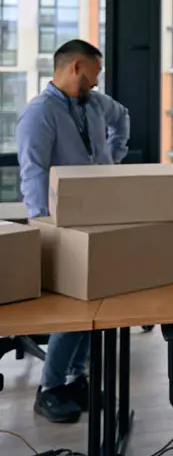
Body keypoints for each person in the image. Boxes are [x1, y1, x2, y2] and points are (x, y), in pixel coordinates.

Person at [16, 39, 130, 423]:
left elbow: (122, 117)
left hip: (100, 217)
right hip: (62, 224)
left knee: (92, 309)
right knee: (73, 311)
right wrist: (44, 226)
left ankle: (75, 378)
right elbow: (32, 173)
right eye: (93, 76)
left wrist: (113, 157)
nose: (96, 84)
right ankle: (49, 388)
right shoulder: (39, 113)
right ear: (75, 67)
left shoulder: (94, 104)